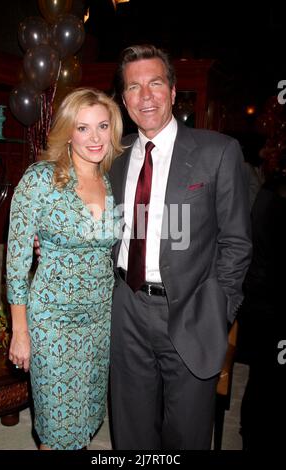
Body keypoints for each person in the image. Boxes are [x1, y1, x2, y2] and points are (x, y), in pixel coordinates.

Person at [108, 44, 252, 450]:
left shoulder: (218, 152)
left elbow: (237, 242)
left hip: (192, 310)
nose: (145, 96)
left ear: (173, 92)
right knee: (130, 432)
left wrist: (219, 307)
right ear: (124, 100)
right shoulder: (116, 157)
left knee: (186, 436)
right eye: (134, 87)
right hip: (127, 308)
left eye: (155, 83)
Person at [6, 88, 123, 450]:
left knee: (85, 418)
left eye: (102, 126)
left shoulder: (110, 181)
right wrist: (20, 330)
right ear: (68, 132)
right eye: (83, 128)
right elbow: (16, 261)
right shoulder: (40, 179)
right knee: (57, 429)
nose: (94, 137)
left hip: (99, 320)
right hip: (52, 322)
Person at [238, 154, 286, 449]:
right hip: (270, 308)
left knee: (263, 382)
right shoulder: (276, 195)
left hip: (262, 304)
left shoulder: (272, 189)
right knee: (268, 384)